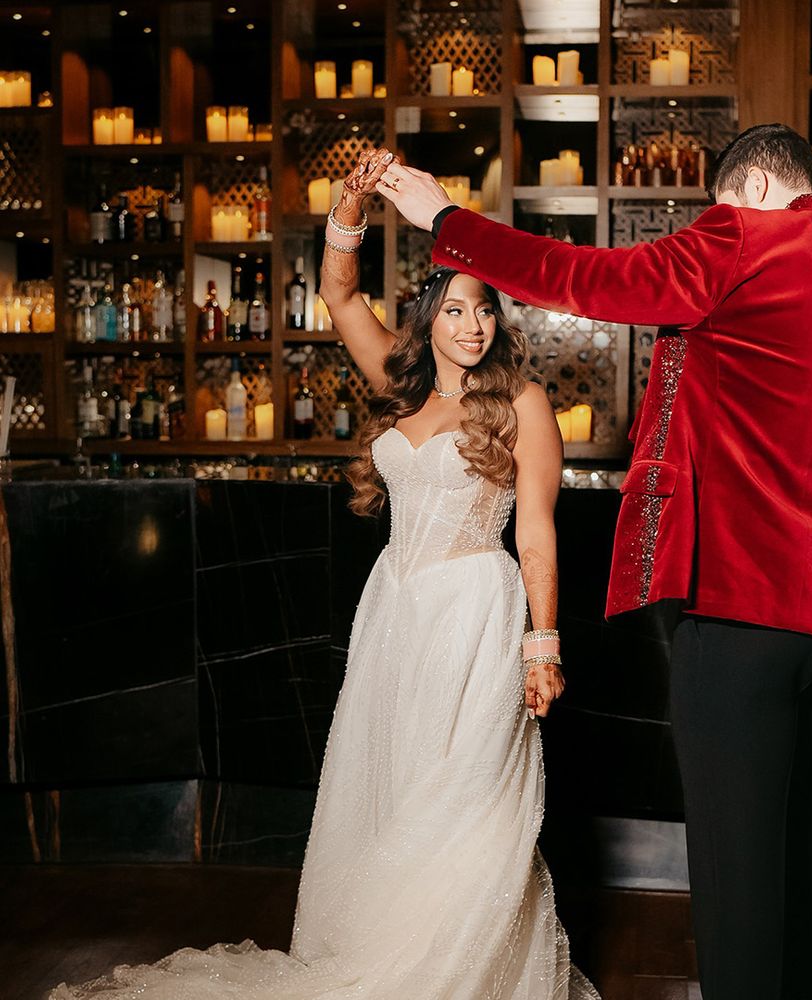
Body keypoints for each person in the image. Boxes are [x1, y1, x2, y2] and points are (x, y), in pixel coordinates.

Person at [376, 124, 812, 1000]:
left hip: (739, 609)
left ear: (753, 188)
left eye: (718, 206)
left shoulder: (741, 239)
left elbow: (590, 280)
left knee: (736, 880)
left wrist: (448, 221)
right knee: (796, 866)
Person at [49, 149, 600, 1000]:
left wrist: (543, 644)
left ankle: (460, 976)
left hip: (474, 613)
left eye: (485, 310)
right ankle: (381, 953)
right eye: (456, 310)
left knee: (469, 798)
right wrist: (349, 209)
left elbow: (535, 532)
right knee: (390, 788)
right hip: (394, 613)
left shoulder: (521, 402)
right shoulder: (401, 384)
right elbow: (340, 296)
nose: (472, 327)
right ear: (428, 318)